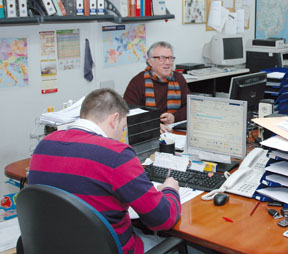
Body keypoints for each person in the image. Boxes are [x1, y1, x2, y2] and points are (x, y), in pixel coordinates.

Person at [29, 88, 182, 254]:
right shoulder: (116, 154)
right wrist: (170, 190)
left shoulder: (44, 145)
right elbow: (162, 219)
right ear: (114, 120)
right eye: (123, 129)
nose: (121, 136)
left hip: (57, 245)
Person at [124, 41, 190, 133]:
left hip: (174, 130)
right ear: (150, 62)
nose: (167, 62)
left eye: (170, 58)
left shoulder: (178, 78)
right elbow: (128, 112)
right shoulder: (138, 82)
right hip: (148, 132)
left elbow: (189, 106)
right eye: (161, 58)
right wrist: (151, 125)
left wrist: (174, 117)